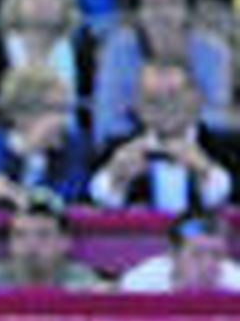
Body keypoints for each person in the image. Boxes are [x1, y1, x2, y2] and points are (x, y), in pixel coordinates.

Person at [0, 0, 97, 162]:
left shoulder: (81, 56)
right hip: (6, 158)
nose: (42, 3)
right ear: (15, 2)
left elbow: (89, 120)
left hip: (68, 159)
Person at [87, 58, 238, 212]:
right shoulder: (114, 149)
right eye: (153, 100)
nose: (164, 107)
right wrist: (116, 176)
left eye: (173, 97)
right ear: (137, 105)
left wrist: (206, 170)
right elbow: (90, 211)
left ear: (196, 99)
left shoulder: (230, 150)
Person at [92, 0, 231, 148]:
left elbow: (217, 120)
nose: (163, 14)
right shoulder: (117, 51)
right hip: (133, 151)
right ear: (138, 11)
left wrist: (179, 140)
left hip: (197, 150)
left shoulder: (213, 52)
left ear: (188, 9)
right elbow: (107, 125)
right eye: (153, 5)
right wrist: (152, 143)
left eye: (173, 3)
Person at [0, 63, 94, 205]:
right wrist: (28, 150)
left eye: (63, 110)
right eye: (51, 110)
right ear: (21, 114)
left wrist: (22, 196)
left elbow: (72, 194)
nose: (60, 120)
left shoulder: (74, 146)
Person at [0, 186, 105, 287]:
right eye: (20, 235)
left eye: (43, 235)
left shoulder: (84, 286)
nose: (31, 244)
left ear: (65, 242)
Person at [119, 207, 240, 290]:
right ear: (173, 254)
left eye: (217, 255)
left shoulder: (235, 283)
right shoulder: (139, 284)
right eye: (197, 255)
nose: (208, 264)